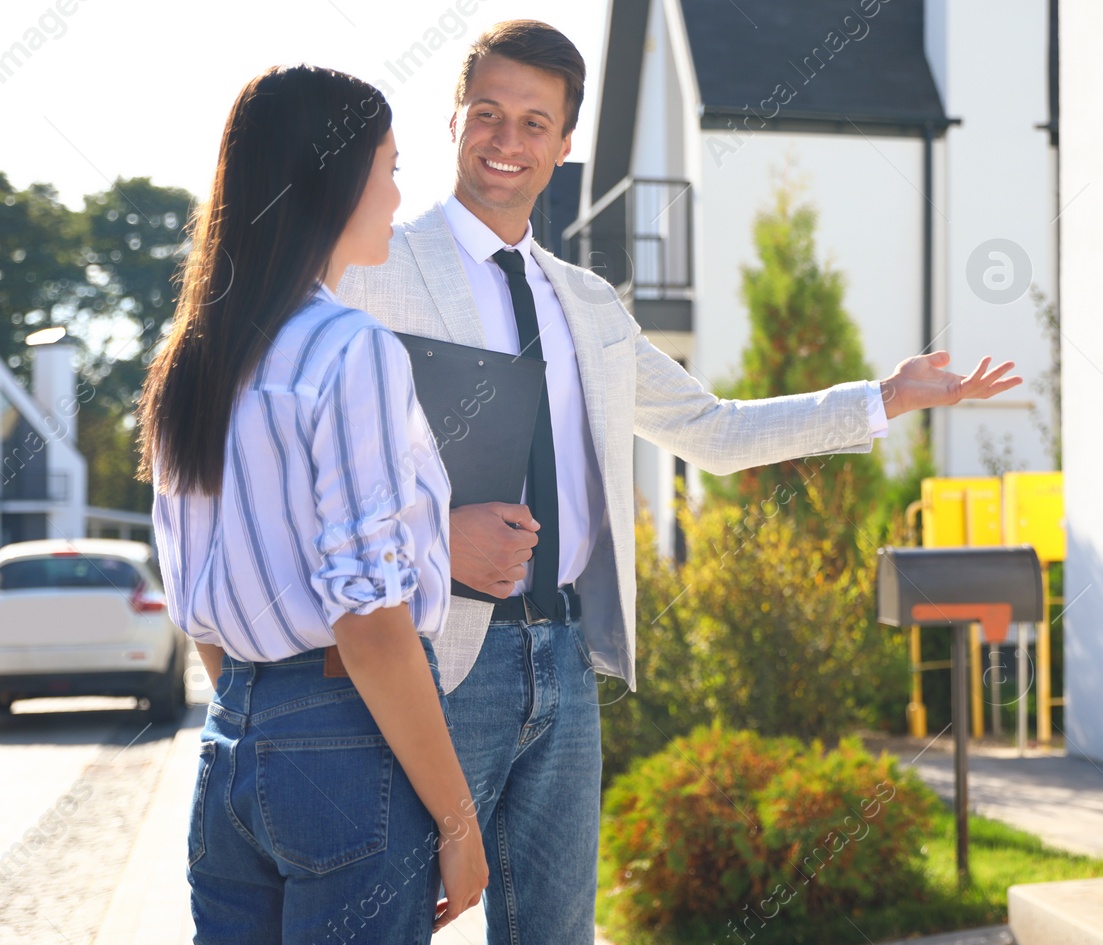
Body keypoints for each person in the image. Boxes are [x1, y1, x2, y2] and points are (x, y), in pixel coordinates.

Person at [338, 20, 1021, 945]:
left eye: (535, 123)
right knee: (380, 928)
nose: (508, 141)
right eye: (488, 114)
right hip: (435, 658)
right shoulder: (372, 272)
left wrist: (884, 398)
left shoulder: (586, 300)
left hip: (568, 663)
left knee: (555, 935)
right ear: (454, 119)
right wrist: (433, 532)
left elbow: (716, 429)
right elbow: (316, 466)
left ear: (565, 144)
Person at [136, 65, 488, 944]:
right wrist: (458, 821)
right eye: (393, 166)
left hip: (231, 742)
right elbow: (369, 618)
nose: (402, 191)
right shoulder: (348, 349)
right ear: (334, 179)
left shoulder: (188, 357)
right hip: (343, 735)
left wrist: (268, 719)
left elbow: (204, 615)